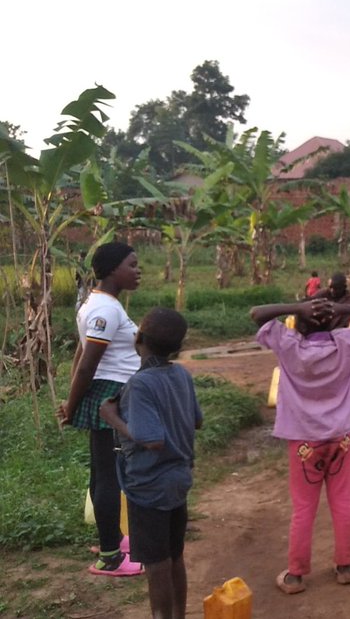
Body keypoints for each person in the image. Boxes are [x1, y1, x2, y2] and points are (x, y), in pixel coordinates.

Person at [250, 296, 350, 595]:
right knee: (343, 502)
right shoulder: (347, 342)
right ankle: (346, 567)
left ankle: (296, 575)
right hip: (341, 439)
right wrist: (343, 309)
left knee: (303, 508)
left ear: (298, 321)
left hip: (303, 441)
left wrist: (296, 308)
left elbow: (257, 312)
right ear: (336, 322)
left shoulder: (287, 344)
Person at [98, 308, 201, 619]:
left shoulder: (141, 384)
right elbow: (197, 420)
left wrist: (112, 417)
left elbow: (151, 439)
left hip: (149, 487)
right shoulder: (181, 374)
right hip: (178, 481)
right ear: (178, 347)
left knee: (156, 565)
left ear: (138, 338)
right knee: (174, 557)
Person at [57, 241, 144, 577]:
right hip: (111, 396)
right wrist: (71, 404)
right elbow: (86, 365)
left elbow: (81, 357)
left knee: (102, 473)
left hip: (109, 392)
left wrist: (72, 400)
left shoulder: (100, 304)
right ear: (112, 269)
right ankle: (110, 556)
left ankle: (114, 538)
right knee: (109, 477)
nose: (138, 272)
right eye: (132, 265)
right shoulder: (105, 310)